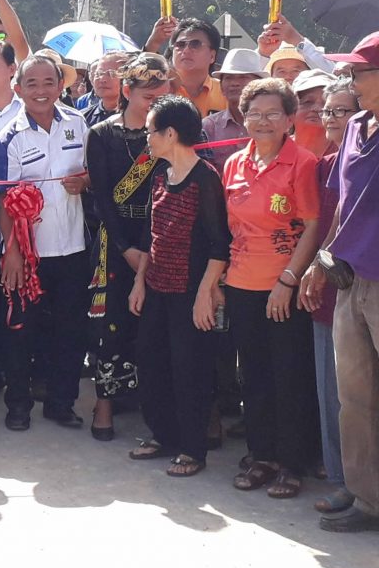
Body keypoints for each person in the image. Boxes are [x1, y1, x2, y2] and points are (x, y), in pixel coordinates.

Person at [222, 77, 320, 499]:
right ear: (244, 118)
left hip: (284, 287)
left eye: (273, 114)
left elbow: (313, 226)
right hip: (241, 284)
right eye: (255, 114)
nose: (263, 121)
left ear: (289, 119)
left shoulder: (303, 163)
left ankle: (292, 462)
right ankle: (260, 455)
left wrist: (288, 279)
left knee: (289, 376)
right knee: (254, 375)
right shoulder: (234, 164)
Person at [127, 95, 231, 476]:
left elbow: (219, 244)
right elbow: (150, 235)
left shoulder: (205, 178)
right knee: (151, 362)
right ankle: (163, 435)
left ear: (170, 133)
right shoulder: (160, 175)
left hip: (190, 291)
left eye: (151, 131)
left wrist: (205, 294)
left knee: (191, 370)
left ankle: (192, 449)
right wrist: (139, 281)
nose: (147, 138)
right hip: (156, 287)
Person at [302, 31, 379, 532]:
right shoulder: (354, 126)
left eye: (359, 72)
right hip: (350, 279)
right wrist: (319, 260)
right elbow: (342, 205)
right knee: (355, 397)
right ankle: (367, 499)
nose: (350, 80)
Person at [0, 55, 91, 431]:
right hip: (28, 253)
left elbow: (92, 172)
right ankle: (18, 405)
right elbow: (4, 199)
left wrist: (85, 182)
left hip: (73, 247)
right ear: (18, 89)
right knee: (21, 331)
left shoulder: (78, 124)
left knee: (70, 330)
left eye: (49, 82)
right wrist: (13, 253)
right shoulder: (8, 138)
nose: (41, 91)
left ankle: (61, 403)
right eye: (31, 83)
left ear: (61, 86)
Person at [85, 53, 173, 440]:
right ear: (127, 91)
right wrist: (126, 248)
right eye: (147, 97)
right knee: (112, 323)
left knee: (160, 323)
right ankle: (104, 402)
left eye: (161, 96)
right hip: (115, 237)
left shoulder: (176, 131)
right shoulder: (102, 134)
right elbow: (102, 198)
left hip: (164, 233)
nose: (154, 103)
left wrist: (149, 247)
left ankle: (161, 405)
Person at [300, 80, 360, 515]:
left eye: (343, 110)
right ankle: (343, 481)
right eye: (328, 110)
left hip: (365, 285)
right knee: (333, 396)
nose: (332, 118)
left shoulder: (366, 161)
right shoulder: (322, 166)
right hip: (326, 289)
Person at [201, 49, 267, 165]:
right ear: (221, 86)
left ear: (260, 84)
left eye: (243, 77)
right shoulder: (209, 126)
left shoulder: (272, 124)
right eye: (228, 78)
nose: (234, 83)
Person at [164, 19, 226, 117]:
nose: (186, 50)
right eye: (180, 44)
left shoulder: (226, 92)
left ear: (212, 56)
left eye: (195, 44)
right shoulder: (159, 89)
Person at [290, 70, 336, 158]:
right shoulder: (274, 150)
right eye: (307, 102)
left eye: (325, 103)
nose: (317, 109)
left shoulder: (345, 156)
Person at [83, 51, 131, 127]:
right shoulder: (82, 119)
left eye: (111, 73)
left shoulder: (139, 118)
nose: (102, 79)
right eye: (99, 73)